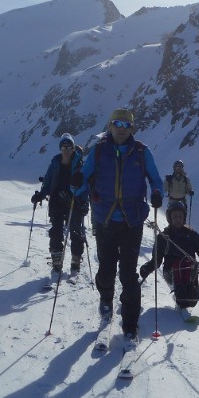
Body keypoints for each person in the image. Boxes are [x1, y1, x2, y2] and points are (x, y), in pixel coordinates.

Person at [72, 108, 163, 339]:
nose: (121, 129)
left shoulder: (142, 152)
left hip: (132, 220)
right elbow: (85, 175)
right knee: (106, 268)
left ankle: (130, 323)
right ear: (109, 126)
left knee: (128, 273)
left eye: (126, 125)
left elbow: (155, 178)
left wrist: (157, 192)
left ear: (132, 128)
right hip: (105, 219)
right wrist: (77, 185)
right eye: (117, 124)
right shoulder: (100, 151)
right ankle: (106, 298)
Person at [139, 200, 199, 313]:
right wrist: (147, 268)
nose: (177, 219)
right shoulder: (163, 237)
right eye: (175, 216)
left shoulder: (192, 235)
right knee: (180, 266)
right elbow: (156, 260)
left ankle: (190, 298)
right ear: (170, 218)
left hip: (189, 272)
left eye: (180, 216)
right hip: (171, 272)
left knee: (188, 270)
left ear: (184, 217)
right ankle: (181, 299)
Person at [32, 133, 88, 275]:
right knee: (56, 231)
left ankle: (75, 262)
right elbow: (48, 182)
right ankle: (57, 262)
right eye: (64, 147)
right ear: (60, 148)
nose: (66, 150)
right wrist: (41, 195)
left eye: (69, 147)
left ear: (73, 148)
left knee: (76, 232)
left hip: (74, 201)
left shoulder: (80, 164)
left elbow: (86, 185)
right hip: (57, 201)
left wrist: (84, 203)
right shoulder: (55, 163)